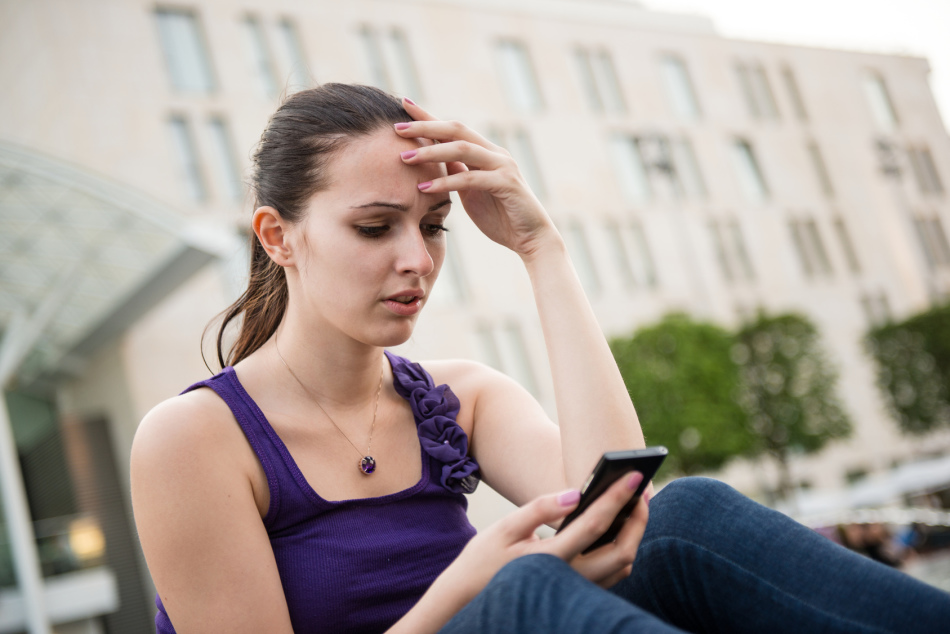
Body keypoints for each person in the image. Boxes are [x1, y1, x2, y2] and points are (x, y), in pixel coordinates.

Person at [130, 84, 950, 634]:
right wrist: (468, 588)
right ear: (280, 237)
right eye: (376, 227)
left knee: (686, 514)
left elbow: (621, 516)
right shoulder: (195, 440)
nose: (416, 258)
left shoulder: (462, 399)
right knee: (527, 589)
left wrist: (540, 247)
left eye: (434, 227)